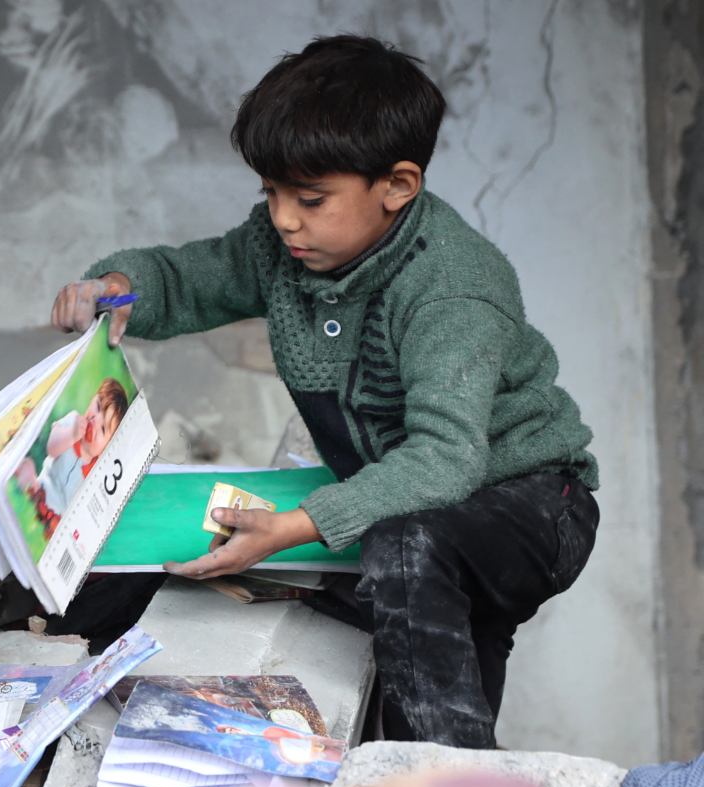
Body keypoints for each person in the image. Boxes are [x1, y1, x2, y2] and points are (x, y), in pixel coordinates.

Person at [49, 35, 599, 750]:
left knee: (405, 553)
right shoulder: (283, 250)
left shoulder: (454, 286)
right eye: (271, 193)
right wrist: (118, 289)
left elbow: (444, 462)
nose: (284, 218)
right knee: (411, 626)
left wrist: (295, 524)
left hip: (532, 502)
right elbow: (195, 277)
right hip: (417, 505)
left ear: (398, 186)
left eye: (310, 198)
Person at [14, 377, 130, 536]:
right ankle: (24, 487)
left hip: (60, 520)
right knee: (27, 465)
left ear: (107, 448)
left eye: (103, 429)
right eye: (97, 406)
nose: (94, 420)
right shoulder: (73, 421)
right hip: (42, 487)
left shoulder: (97, 471)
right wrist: (72, 434)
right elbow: (51, 448)